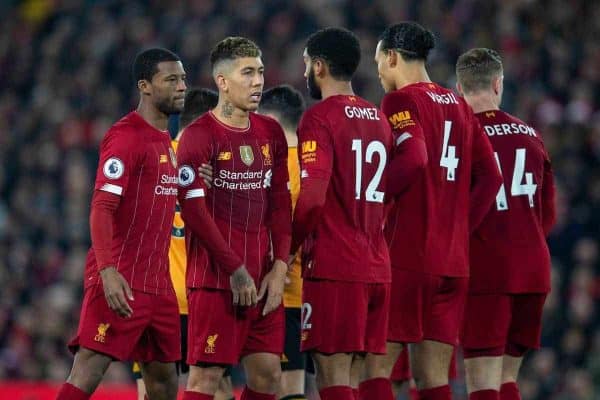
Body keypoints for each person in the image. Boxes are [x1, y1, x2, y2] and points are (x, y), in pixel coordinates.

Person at [373, 22, 502, 400]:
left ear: (393, 57)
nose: (378, 71)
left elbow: (413, 160)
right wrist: (461, 230)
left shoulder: (400, 101)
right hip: (454, 263)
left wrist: (372, 198)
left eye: (379, 61)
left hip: (408, 257)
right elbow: (491, 177)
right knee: (433, 378)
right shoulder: (459, 105)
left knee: (373, 368)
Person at [56, 48, 186, 400]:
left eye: (183, 79)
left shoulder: (166, 142)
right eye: (171, 80)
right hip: (122, 277)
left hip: (158, 286)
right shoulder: (126, 136)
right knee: (88, 370)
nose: (181, 87)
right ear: (145, 86)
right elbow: (102, 207)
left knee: (163, 386)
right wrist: (108, 270)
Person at [176, 36, 292, 400]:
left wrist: (280, 267)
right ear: (222, 82)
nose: (258, 81)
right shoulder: (198, 137)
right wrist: (234, 269)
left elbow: (279, 204)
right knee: (206, 380)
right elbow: (192, 211)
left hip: (261, 280)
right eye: (247, 73)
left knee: (268, 376)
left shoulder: (270, 132)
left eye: (259, 72)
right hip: (215, 281)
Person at [291, 27, 394, 400]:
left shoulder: (319, 119)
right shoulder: (379, 119)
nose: (304, 73)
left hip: (335, 266)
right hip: (376, 265)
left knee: (332, 377)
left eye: (306, 64)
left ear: (319, 66)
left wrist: (288, 246)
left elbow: (314, 197)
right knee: (356, 378)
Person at [455, 48, 556, 400]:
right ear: (498, 83)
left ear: (460, 86)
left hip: (488, 270)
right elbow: (548, 215)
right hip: (533, 272)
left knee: (482, 382)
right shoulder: (531, 135)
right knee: (506, 380)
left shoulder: (460, 136)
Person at [133, 87, 235, 400]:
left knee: (150, 390)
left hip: (154, 295)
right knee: (216, 387)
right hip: (202, 295)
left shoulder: (152, 157)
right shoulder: (220, 167)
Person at [259, 85, 309, 400]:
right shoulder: (316, 161)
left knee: (281, 385)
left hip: (280, 293)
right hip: (311, 289)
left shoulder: (270, 166)